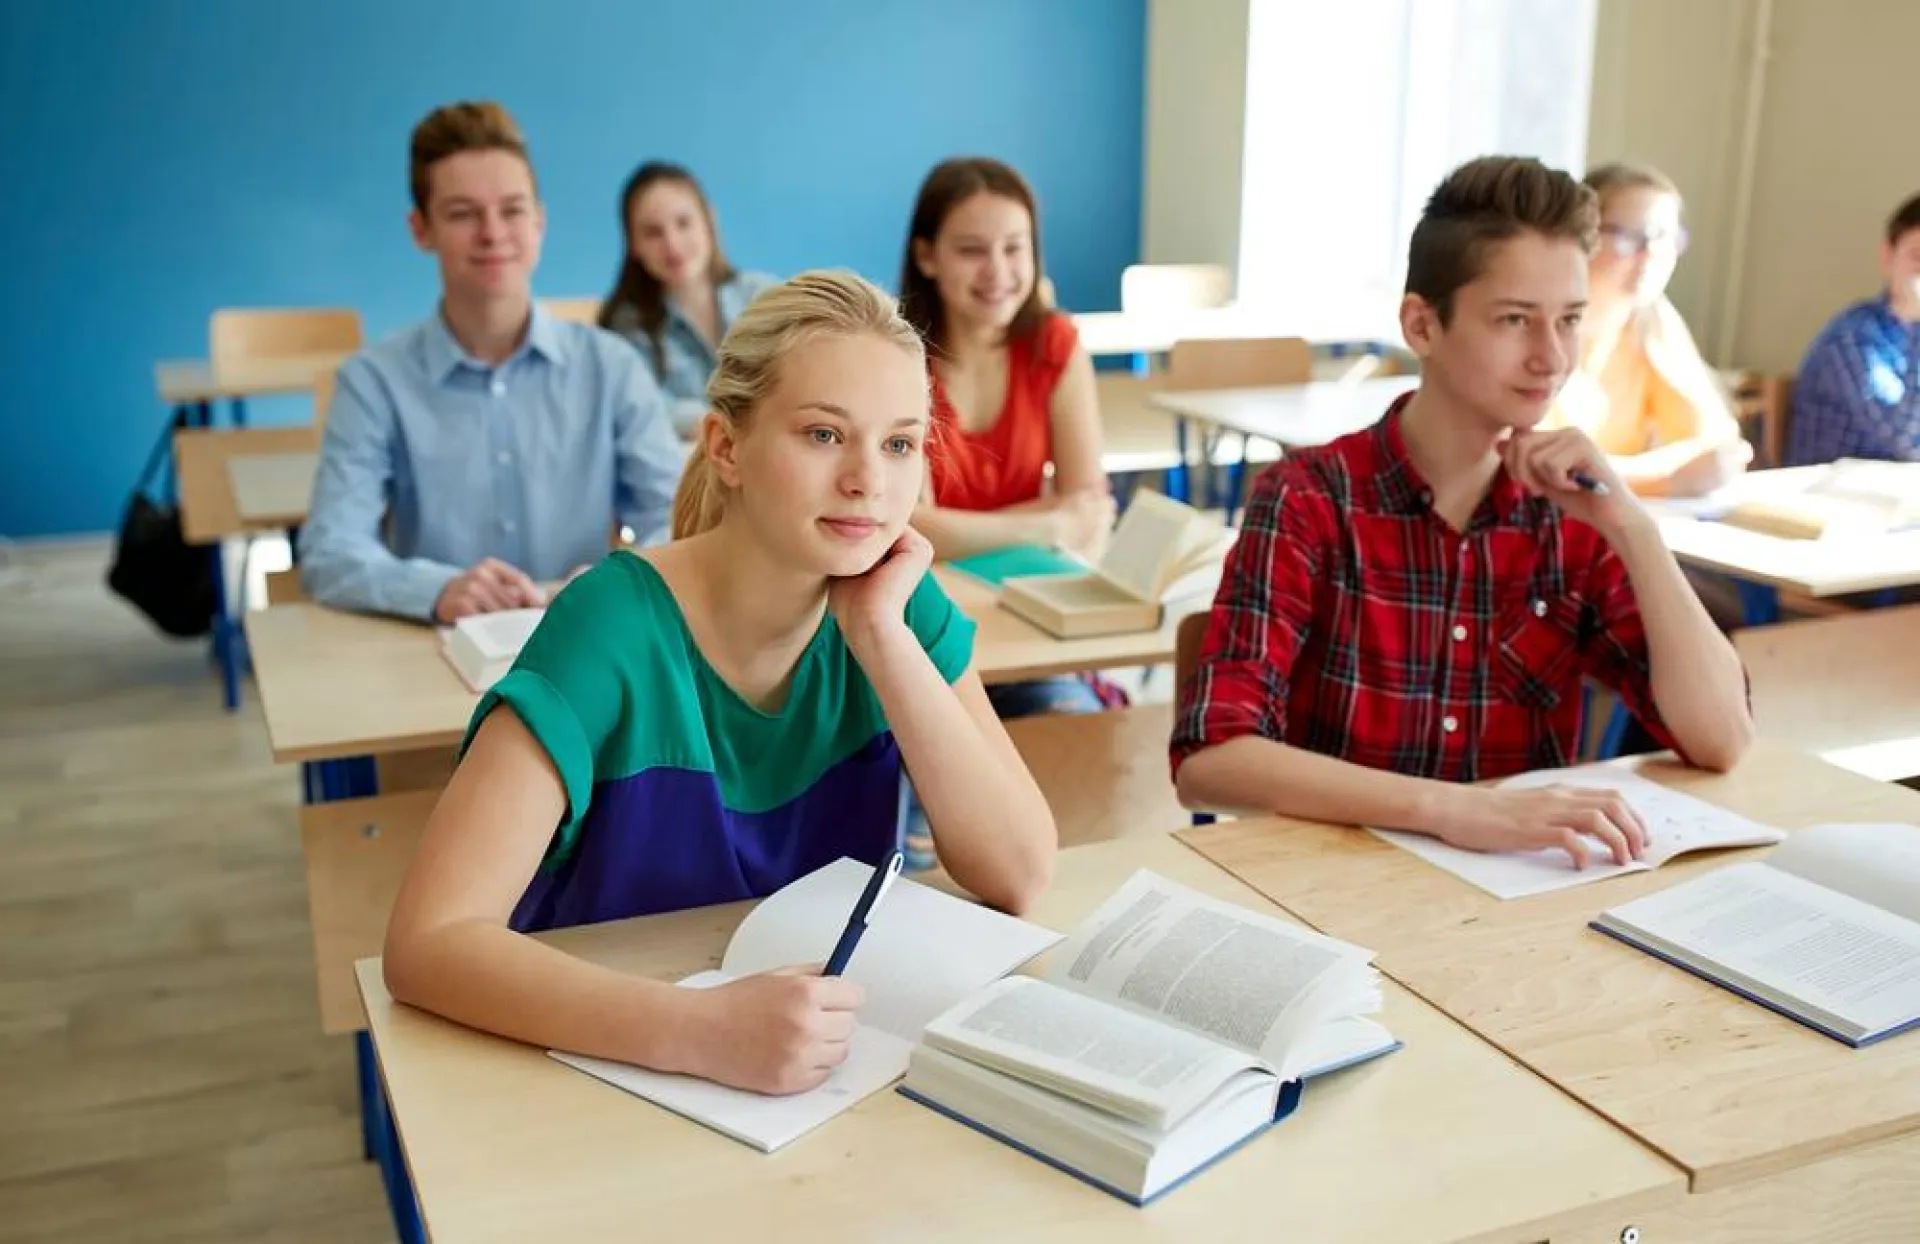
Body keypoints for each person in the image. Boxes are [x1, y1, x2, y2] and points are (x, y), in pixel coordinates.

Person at [382, 270, 1056, 1095]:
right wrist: (698, 1030)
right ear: (726, 447)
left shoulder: (899, 604)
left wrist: (880, 635)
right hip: (604, 1067)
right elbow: (428, 941)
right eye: (822, 435)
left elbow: (1019, 870)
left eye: (900, 443)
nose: (868, 482)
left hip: (809, 1067)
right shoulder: (613, 626)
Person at [1171, 156, 1753, 869]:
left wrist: (1632, 527)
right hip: (1335, 885)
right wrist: (1455, 808)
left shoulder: (1571, 516)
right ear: (1422, 324)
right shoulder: (1310, 499)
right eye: (1515, 321)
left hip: (1518, 899)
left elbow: (1720, 739)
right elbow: (1211, 760)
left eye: (1570, 320)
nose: (1551, 358)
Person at [302, 101, 681, 623]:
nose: (492, 232)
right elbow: (331, 551)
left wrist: (619, 576)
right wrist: (435, 590)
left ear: (540, 222)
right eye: (462, 213)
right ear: (421, 230)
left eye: (512, 209)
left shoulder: (612, 368)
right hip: (434, 653)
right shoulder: (373, 382)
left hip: (589, 640)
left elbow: (681, 520)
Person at [898, 155, 1117, 718]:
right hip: (923, 628)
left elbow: (1088, 515)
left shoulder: (1055, 346)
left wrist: (1059, 528)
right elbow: (906, 526)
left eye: (1015, 248)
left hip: (1028, 618)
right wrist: (1045, 523)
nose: (997, 270)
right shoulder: (897, 357)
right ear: (927, 256)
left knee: (1071, 727)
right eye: (972, 250)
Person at [1548, 163, 1749, 497]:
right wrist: (1666, 478)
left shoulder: (1649, 317)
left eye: (1665, 238)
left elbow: (1718, 444)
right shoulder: (1541, 327)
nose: (1652, 254)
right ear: (1579, 239)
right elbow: (1545, 469)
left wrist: (1664, 471)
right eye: (1631, 237)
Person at [598, 161, 777, 438]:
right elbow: (644, 406)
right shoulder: (626, 328)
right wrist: (724, 426)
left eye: (683, 223)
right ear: (634, 245)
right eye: (652, 233)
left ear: (709, 220)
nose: (672, 243)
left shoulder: (764, 296)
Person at [1786, 192, 1920, 466]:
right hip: (1826, 499)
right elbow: (1904, 442)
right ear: (1887, 256)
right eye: (1918, 255)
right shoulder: (1855, 337)